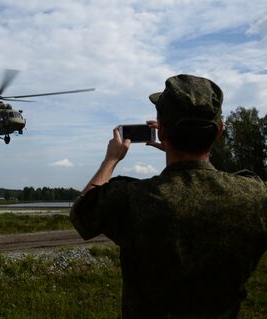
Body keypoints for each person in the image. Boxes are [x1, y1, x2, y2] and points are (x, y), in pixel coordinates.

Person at [70, 74, 267, 318]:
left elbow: (82, 214)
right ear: (219, 131)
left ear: (161, 131)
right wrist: (192, 151)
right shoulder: (255, 195)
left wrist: (111, 159)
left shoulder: (133, 199)